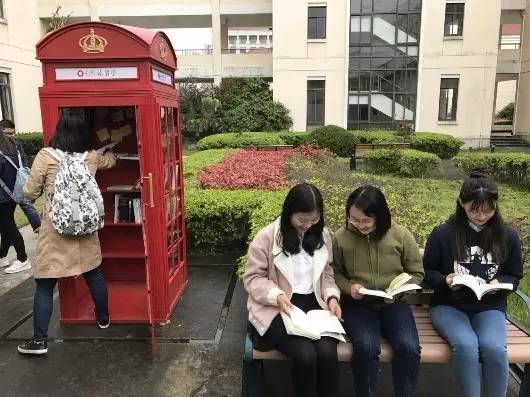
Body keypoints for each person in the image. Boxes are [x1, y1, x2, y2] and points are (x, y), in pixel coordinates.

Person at [17, 113, 117, 355]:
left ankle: (39, 341)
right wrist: (112, 153)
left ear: (59, 130)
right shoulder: (91, 157)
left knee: (44, 286)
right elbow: (110, 161)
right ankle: (103, 319)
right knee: (94, 276)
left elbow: (29, 193)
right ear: (84, 134)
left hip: (56, 230)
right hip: (85, 227)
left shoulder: (46, 156)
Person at [423, 169, 523, 397]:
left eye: (488, 210)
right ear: (461, 203)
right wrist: (445, 279)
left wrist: (500, 282)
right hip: (449, 305)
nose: (481, 216)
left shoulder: (507, 236)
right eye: (474, 210)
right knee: (466, 346)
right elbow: (427, 273)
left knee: (495, 349)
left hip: (489, 306)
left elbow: (514, 275)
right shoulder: (442, 234)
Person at [244, 183, 342, 397]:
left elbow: (327, 275)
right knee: (305, 354)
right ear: (289, 212)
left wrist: (332, 297)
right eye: (302, 220)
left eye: (314, 220)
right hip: (279, 306)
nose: (307, 226)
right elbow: (253, 278)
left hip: (315, 304)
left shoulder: (322, 235)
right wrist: (276, 295)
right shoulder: (268, 237)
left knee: (327, 353)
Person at [332, 185, 424, 397]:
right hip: (358, 306)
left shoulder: (400, 235)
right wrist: (348, 287)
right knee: (366, 347)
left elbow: (416, 272)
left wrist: (401, 288)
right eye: (354, 219)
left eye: (366, 220)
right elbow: (335, 272)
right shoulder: (341, 238)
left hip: (394, 304)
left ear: (380, 216)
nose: (359, 225)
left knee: (408, 348)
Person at [0, 120, 32, 274]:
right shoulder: (15, 149)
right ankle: (3, 256)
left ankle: (23, 258)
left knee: (8, 226)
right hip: (14, 192)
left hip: (3, 195)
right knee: (6, 224)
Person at [0, 119, 41, 233]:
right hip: (12, 183)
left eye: (12, 133)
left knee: (23, 206)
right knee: (20, 208)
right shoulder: (15, 145)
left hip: (13, 183)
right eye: (7, 133)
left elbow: (24, 162)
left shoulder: (16, 145)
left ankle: (37, 228)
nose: (10, 136)